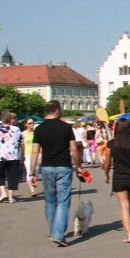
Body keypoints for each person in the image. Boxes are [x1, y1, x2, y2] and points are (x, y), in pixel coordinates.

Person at [30, 100, 80, 247]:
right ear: (57, 110)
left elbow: (35, 151)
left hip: (46, 167)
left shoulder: (39, 129)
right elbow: (74, 149)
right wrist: (78, 166)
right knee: (63, 201)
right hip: (63, 166)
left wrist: (32, 172)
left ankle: (53, 231)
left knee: (50, 201)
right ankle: (59, 234)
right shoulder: (66, 128)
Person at [104, 118, 130, 243]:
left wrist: (106, 175)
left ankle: (129, 234)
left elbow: (107, 163)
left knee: (124, 206)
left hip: (119, 177)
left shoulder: (111, 144)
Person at [0, 110, 23, 203]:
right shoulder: (16, 129)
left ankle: (3, 193)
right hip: (13, 156)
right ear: (10, 119)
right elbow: (21, 143)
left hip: (0, 156)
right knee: (12, 176)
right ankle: (11, 197)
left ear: (1, 119)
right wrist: (22, 155)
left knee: (0, 175)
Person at [22, 118, 39, 196]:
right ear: (26, 125)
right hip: (27, 155)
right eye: (30, 123)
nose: (32, 124)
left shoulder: (36, 133)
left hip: (36, 155)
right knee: (29, 171)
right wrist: (22, 155)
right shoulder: (23, 134)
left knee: (36, 172)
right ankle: (32, 190)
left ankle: (33, 181)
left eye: (33, 123)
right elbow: (21, 145)